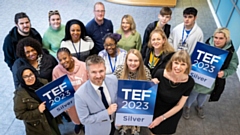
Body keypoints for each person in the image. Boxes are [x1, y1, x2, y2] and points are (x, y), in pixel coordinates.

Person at [183, 28, 239, 119]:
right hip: (198, 76)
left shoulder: (231, 53)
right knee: (193, 93)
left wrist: (224, 73)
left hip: (212, 80)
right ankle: (187, 107)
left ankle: (199, 106)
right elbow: (194, 55)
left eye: (221, 38)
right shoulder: (208, 44)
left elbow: (233, 67)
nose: (217, 40)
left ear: (227, 39)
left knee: (203, 95)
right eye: (215, 37)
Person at [149, 50, 194, 135]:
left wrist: (162, 118)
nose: (178, 67)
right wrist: (150, 84)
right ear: (171, 63)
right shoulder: (159, 73)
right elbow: (149, 94)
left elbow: (180, 105)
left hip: (172, 113)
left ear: (187, 66)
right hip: (156, 109)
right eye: (176, 63)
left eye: (183, 64)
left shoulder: (190, 82)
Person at [75, 55, 118, 135]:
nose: (98, 76)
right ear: (87, 73)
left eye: (101, 71)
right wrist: (107, 112)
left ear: (105, 69)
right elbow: (84, 120)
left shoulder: (114, 80)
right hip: (98, 130)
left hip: (115, 127)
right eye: (94, 72)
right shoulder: (80, 95)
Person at [13, 65, 61, 135]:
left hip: (51, 119)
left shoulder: (43, 82)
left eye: (31, 74)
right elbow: (19, 114)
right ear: (21, 79)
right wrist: (38, 111)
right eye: (26, 77)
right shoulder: (20, 95)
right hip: (38, 127)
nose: (30, 78)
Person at [114, 49, 152, 135]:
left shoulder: (145, 71)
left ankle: (135, 128)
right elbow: (113, 86)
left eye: (136, 60)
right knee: (121, 122)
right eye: (130, 60)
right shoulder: (119, 70)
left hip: (138, 102)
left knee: (135, 117)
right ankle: (123, 129)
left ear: (140, 61)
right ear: (126, 60)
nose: (133, 63)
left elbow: (149, 90)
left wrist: (153, 83)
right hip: (122, 101)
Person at [52, 47, 88, 134]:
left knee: (87, 115)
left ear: (70, 56)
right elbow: (56, 88)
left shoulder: (83, 65)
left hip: (85, 98)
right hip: (71, 101)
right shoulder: (56, 71)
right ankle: (78, 124)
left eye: (65, 58)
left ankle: (86, 124)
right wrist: (62, 103)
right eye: (60, 60)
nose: (63, 62)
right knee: (74, 116)